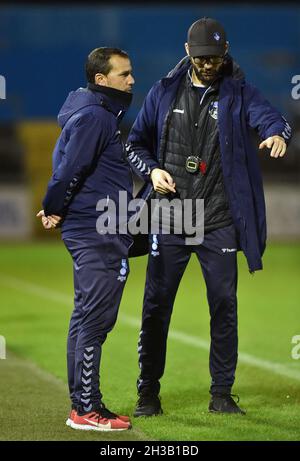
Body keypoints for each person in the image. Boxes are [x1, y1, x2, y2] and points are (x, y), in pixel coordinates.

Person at [125, 17, 292, 416]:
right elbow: (134, 144)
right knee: (156, 306)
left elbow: (274, 118)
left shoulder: (240, 92)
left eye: (215, 58)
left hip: (218, 219)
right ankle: (148, 392)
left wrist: (276, 134)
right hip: (169, 218)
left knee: (223, 305)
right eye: (201, 58)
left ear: (226, 52)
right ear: (188, 52)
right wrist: (151, 170)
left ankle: (221, 394)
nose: (208, 65)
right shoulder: (163, 92)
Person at [37, 47, 135, 431]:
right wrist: (53, 205)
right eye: (124, 74)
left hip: (95, 226)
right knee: (95, 321)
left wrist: (54, 206)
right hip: (97, 229)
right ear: (101, 79)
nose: (131, 80)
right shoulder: (96, 117)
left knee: (84, 319)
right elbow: (69, 170)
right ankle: (86, 410)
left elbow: (67, 167)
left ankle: (84, 405)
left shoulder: (90, 113)